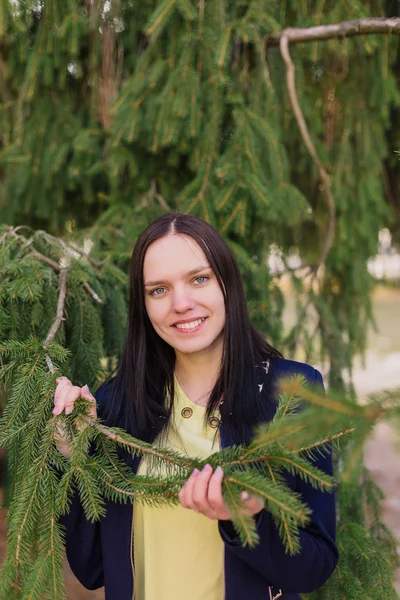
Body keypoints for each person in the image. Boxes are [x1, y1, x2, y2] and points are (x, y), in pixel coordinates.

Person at [53, 213, 338, 600]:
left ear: (227, 285)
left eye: (199, 279)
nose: (181, 304)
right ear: (144, 305)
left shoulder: (290, 394)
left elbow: (315, 566)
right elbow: (92, 569)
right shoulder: (116, 404)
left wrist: (250, 518)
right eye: (158, 290)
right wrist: (75, 456)